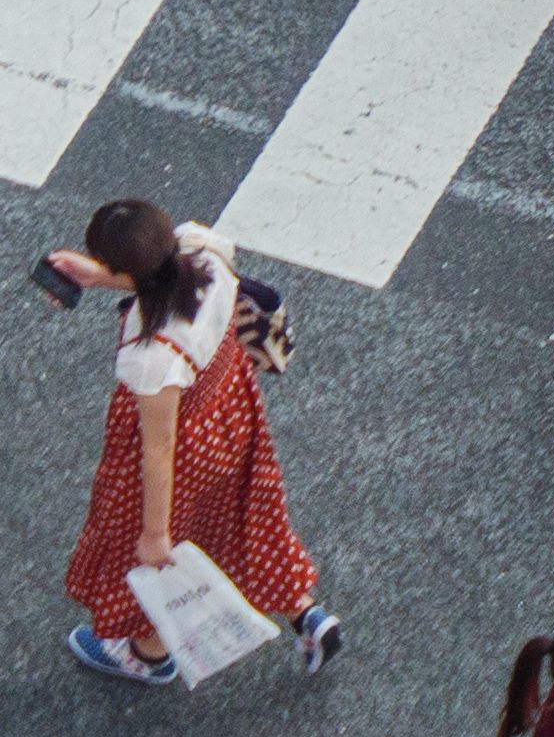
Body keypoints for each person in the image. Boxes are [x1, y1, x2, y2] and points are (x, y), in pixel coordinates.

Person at [48, 198, 338, 682]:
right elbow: (158, 272)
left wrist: (153, 535)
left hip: (183, 446)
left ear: (127, 268)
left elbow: (159, 448)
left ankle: (149, 652)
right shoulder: (203, 251)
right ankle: (305, 612)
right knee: (242, 517)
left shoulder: (152, 355)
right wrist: (101, 276)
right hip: (229, 410)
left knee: (145, 545)